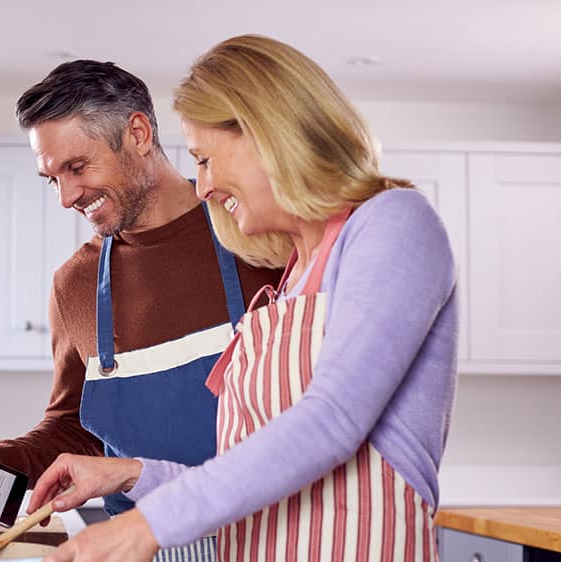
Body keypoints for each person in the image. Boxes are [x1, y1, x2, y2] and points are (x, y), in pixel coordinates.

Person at [26, 35, 459, 562]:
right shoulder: (294, 275)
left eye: (206, 159)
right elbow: (260, 479)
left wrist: (146, 527)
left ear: (266, 135)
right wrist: (132, 474)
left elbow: (332, 422)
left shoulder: (394, 223)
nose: (201, 186)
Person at [0, 59, 282, 560]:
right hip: (136, 549)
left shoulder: (260, 238)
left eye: (77, 167)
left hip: (272, 540)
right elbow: (77, 428)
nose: (67, 197)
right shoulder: (75, 285)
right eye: (51, 179)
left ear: (137, 133)